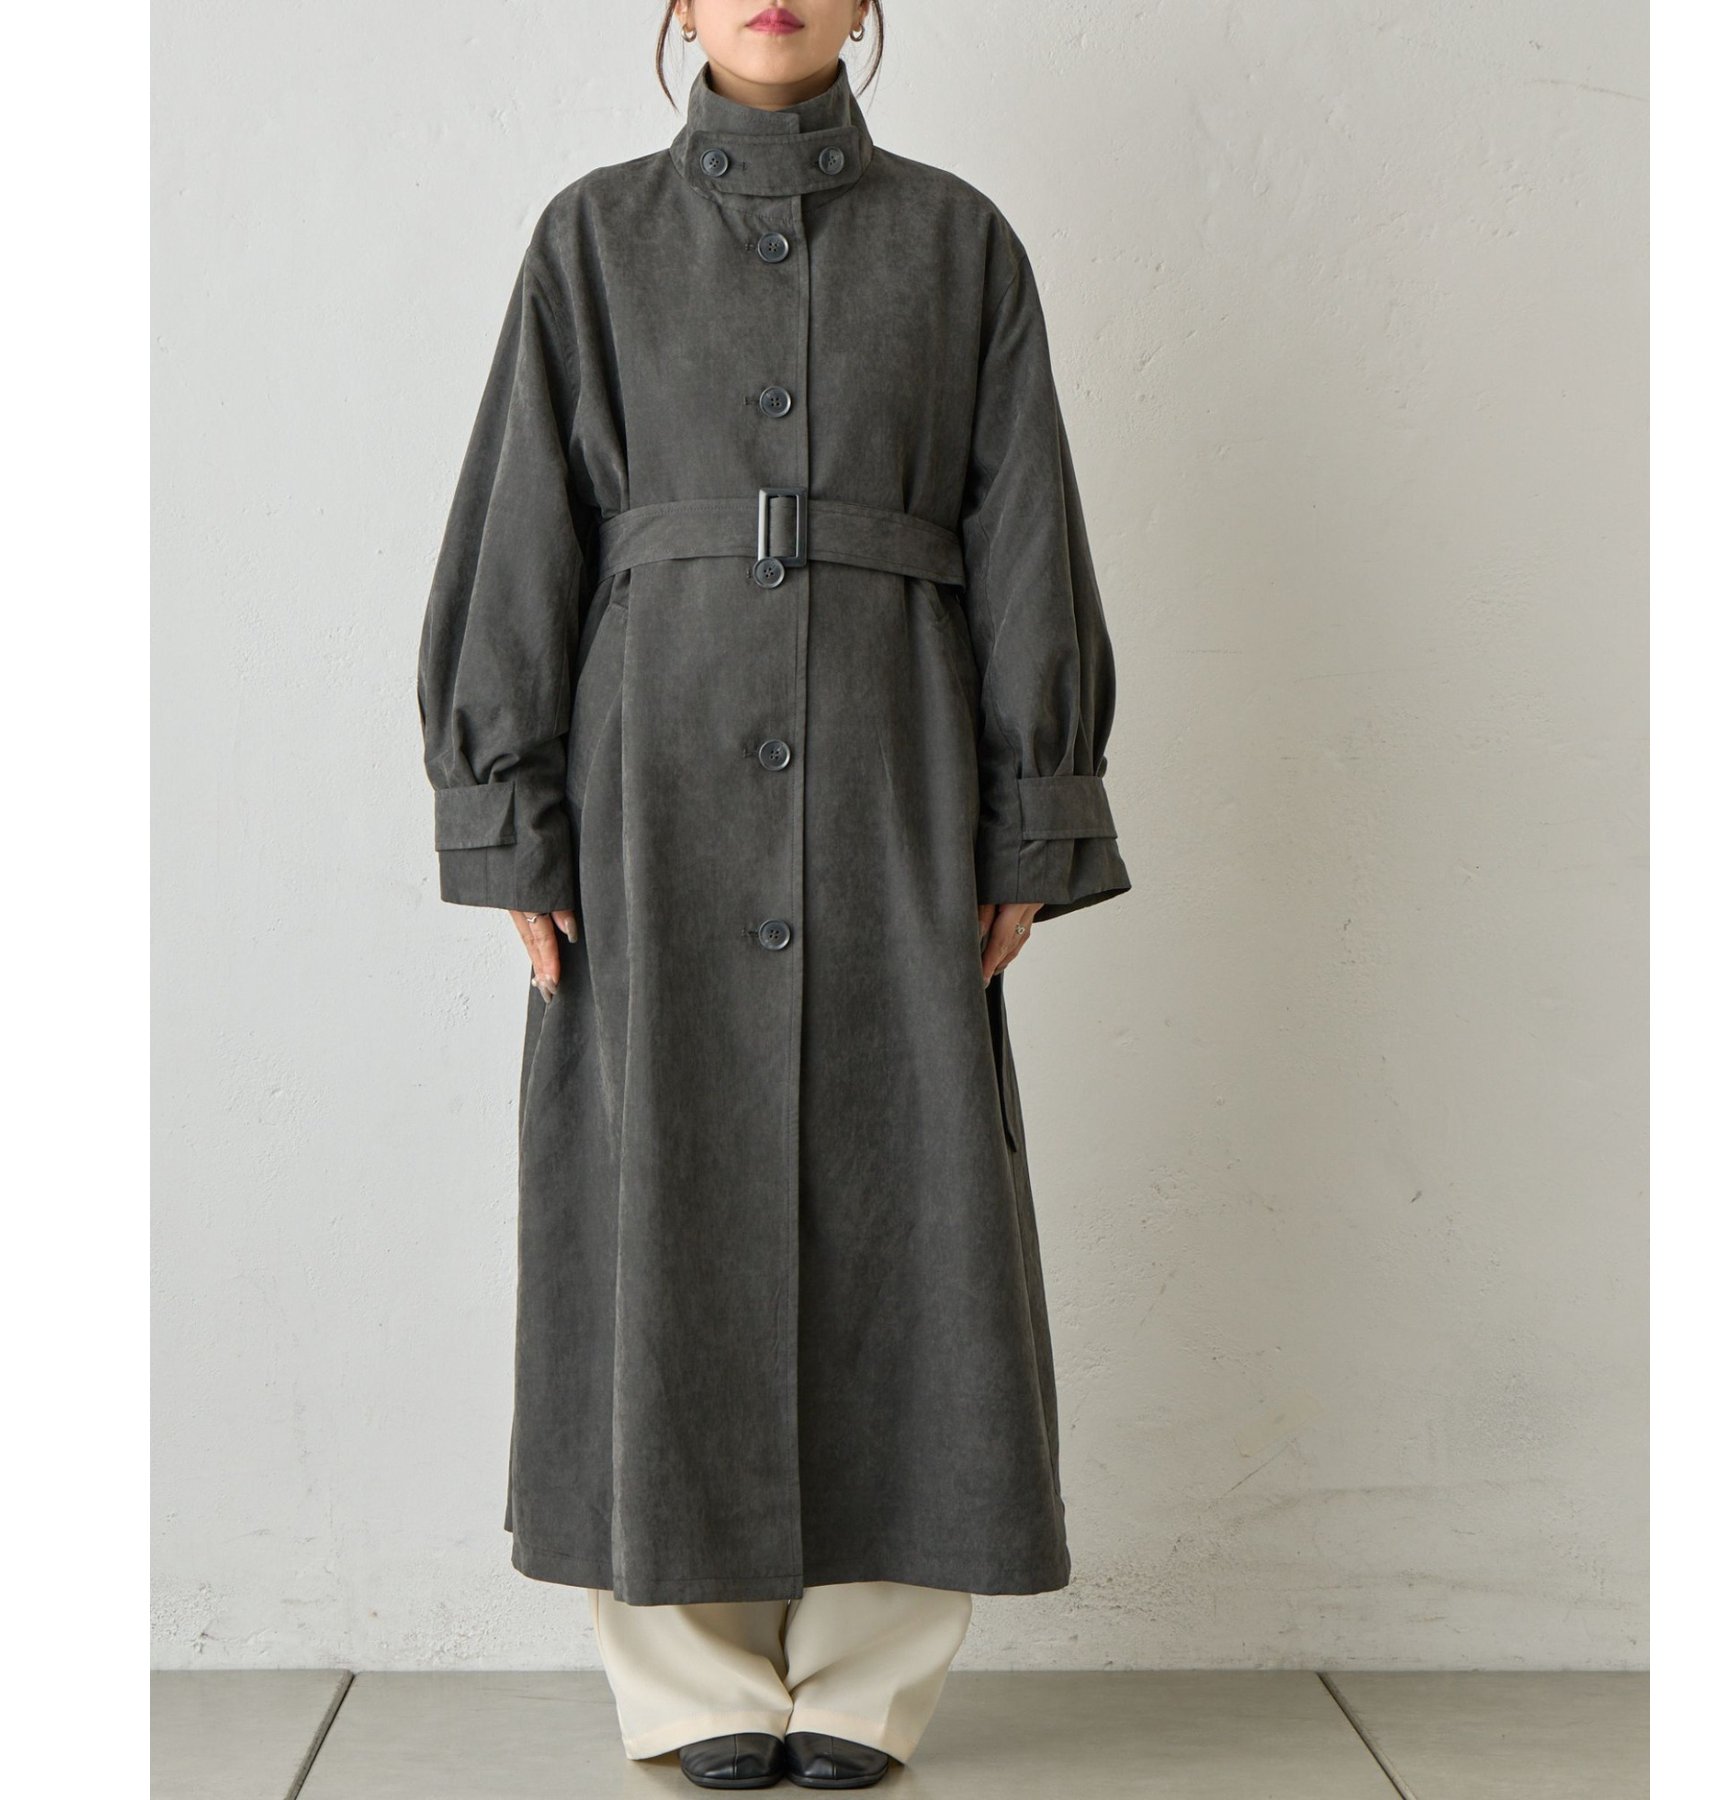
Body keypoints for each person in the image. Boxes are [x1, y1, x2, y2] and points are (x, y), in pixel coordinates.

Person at [416, 0, 1129, 1788]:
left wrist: (1034, 815)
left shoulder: (960, 242)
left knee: (915, 1189)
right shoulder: (592, 239)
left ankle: (870, 1677)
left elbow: (1026, 527)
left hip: (897, 774)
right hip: (651, 781)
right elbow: (520, 525)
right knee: (652, 1181)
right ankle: (692, 1677)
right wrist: (507, 809)